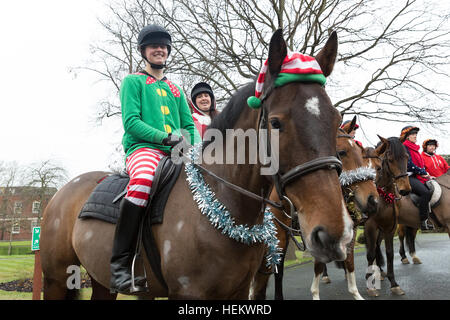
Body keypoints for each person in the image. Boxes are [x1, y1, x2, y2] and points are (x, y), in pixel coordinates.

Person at [110, 24, 201, 294]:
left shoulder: (176, 90)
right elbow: (131, 123)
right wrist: (166, 138)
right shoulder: (132, 82)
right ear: (143, 52)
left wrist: (193, 146)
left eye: (163, 46)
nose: (159, 49)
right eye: (153, 46)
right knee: (142, 180)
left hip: (177, 153)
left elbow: (189, 124)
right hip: (143, 149)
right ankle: (120, 266)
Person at [400, 126, 433, 230]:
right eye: (412, 134)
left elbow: (420, 164)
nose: (415, 136)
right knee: (425, 193)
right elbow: (409, 165)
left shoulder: (415, 148)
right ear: (407, 137)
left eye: (415, 134)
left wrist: (425, 173)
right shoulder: (404, 147)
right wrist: (422, 172)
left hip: (417, 175)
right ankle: (423, 220)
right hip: (408, 177)